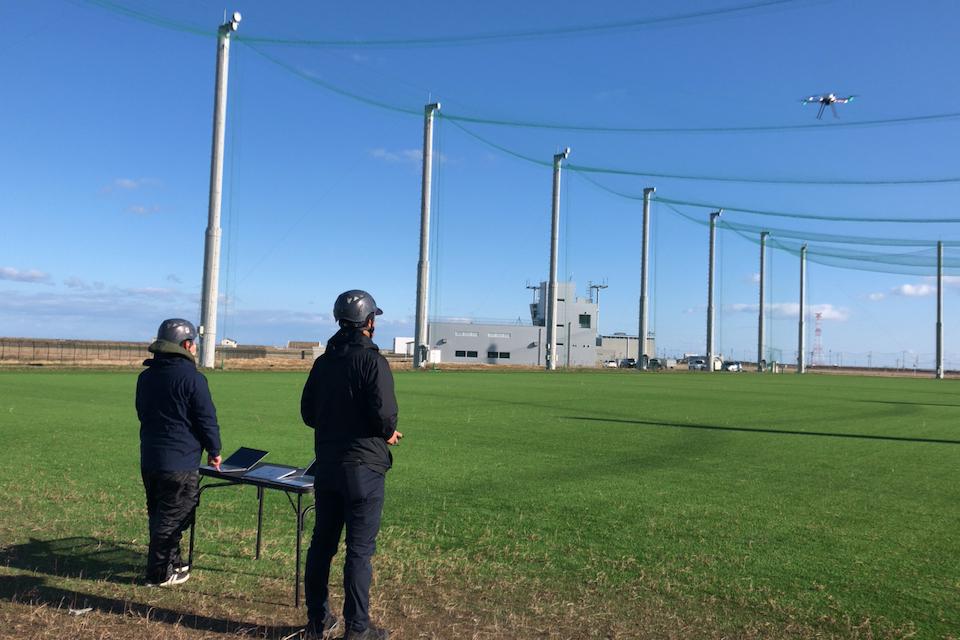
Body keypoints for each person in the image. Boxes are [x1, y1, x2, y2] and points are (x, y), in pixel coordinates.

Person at [301, 290, 403, 640]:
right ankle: (357, 629)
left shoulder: (323, 362)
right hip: (364, 469)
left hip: (327, 466)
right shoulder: (374, 362)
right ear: (368, 322)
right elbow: (386, 416)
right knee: (359, 553)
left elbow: (308, 414)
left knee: (321, 545)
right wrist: (386, 434)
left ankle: (318, 621)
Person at [136, 318, 222, 587]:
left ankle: (172, 561)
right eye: (193, 344)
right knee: (173, 517)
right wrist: (214, 449)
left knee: (159, 513)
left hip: (150, 458)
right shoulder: (192, 379)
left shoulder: (146, 377)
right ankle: (159, 573)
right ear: (186, 345)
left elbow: (143, 413)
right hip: (180, 461)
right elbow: (206, 418)